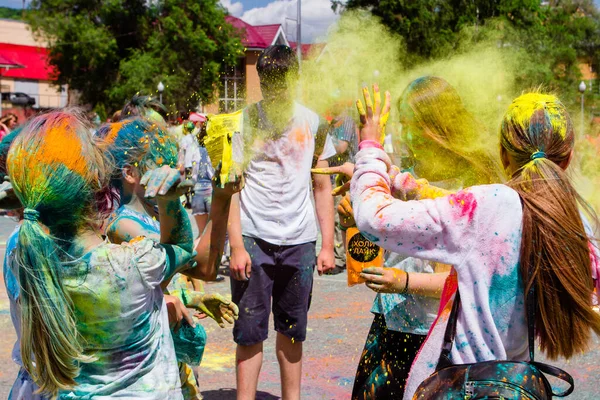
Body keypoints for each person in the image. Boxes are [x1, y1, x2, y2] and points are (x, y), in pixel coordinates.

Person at [350, 87, 600, 400]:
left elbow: (375, 218)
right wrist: (402, 181)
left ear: (504, 153)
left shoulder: (488, 205)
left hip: (462, 385)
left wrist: (370, 148)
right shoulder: (577, 221)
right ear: (569, 156)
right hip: (512, 387)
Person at [5, 110, 235, 398]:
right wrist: (171, 202)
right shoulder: (132, 262)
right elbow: (183, 251)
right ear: (94, 182)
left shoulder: (22, 253)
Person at [315, 77, 503, 399]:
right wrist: (357, 222)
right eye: (403, 125)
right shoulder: (407, 175)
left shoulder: (470, 188)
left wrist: (401, 281)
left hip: (435, 337)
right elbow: (389, 246)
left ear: (439, 126)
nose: (408, 135)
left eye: (414, 125)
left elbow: (458, 283)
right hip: (390, 322)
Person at [227, 45, 336, 400]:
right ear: (261, 81)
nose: (275, 90)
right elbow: (232, 188)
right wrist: (238, 246)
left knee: (292, 333)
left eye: (282, 82)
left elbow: (322, 185)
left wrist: (328, 245)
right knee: (249, 332)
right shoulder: (243, 122)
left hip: (299, 241)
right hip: (253, 238)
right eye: (268, 82)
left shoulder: (314, 123)